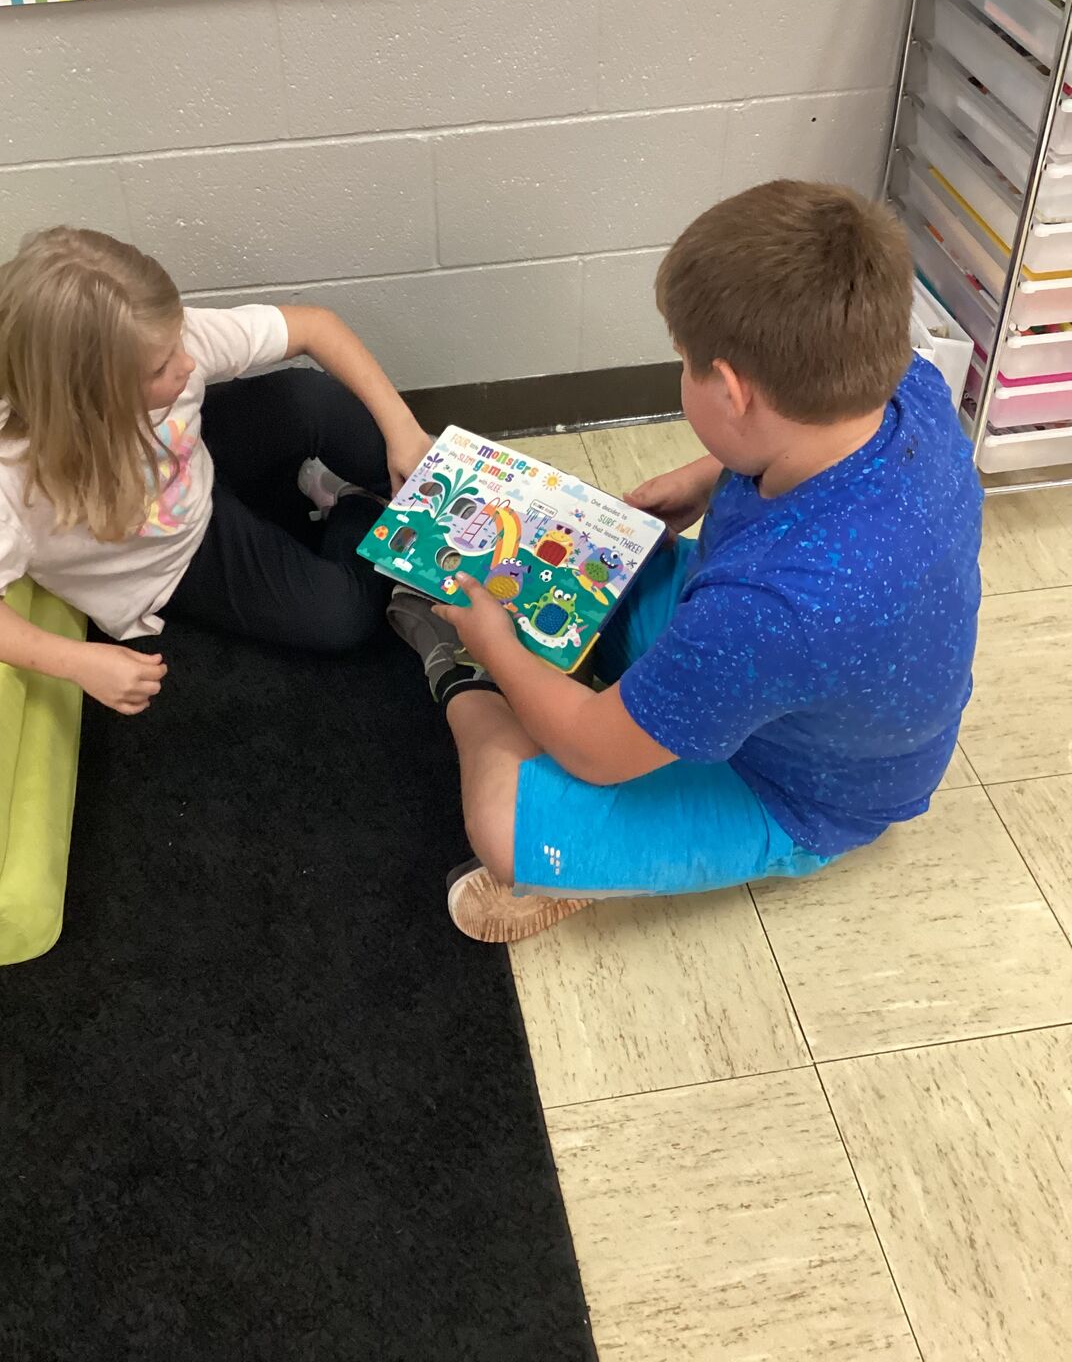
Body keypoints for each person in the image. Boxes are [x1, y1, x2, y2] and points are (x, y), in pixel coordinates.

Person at [389, 181, 983, 943]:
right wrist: (709, 477)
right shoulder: (915, 390)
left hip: (795, 794)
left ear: (732, 391)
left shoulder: (771, 612)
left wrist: (494, 648)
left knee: (500, 824)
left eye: (684, 363)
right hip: (796, 671)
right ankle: (554, 681)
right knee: (588, 557)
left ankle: (459, 673)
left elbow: (598, 754)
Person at [0, 227, 431, 713]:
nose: (185, 364)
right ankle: (356, 504)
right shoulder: (4, 480)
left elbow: (315, 326)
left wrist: (403, 430)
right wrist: (76, 662)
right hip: (174, 557)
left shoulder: (163, 348)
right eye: (161, 367)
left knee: (310, 398)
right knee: (341, 617)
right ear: (90, 396)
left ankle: (415, 488)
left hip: (195, 460)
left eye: (178, 343)